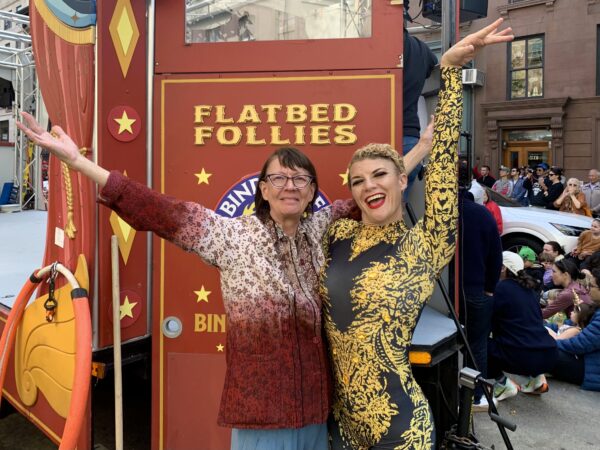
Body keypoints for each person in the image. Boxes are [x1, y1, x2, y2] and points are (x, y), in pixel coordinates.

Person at [15, 113, 431, 449]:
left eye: (300, 179)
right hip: (261, 419)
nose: (289, 186)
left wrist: (421, 150)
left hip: (316, 415)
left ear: (310, 193)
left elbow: (369, 194)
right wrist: (78, 162)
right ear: (263, 190)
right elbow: (159, 210)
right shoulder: (230, 236)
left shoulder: (321, 229)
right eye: (278, 179)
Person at [319, 20, 513, 449]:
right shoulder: (338, 235)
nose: (369, 186)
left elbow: (442, 166)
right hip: (339, 428)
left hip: (401, 431)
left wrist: (450, 72)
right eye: (358, 180)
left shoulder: (424, 245)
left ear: (403, 180)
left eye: (380, 175)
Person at [488, 251, 557, 401]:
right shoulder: (529, 290)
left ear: (503, 268)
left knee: (475, 343)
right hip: (548, 353)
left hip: (521, 356)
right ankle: (536, 380)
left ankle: (502, 383)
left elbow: (487, 320)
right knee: (524, 338)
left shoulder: (501, 288)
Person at [458, 189, 503, 411]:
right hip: (476, 290)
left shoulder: (436, 212)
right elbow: (496, 255)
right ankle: (474, 395)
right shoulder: (483, 214)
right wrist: (489, 288)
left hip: (444, 292)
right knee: (477, 345)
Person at [403, 18, 437, 196]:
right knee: (397, 205)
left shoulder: (379, 45)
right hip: (410, 139)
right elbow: (433, 63)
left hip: (384, 136)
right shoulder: (421, 49)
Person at [552, 295, 600, 391]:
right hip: (585, 361)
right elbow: (565, 326)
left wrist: (548, 343)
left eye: (592, 287)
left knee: (545, 351)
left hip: (591, 371)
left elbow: (580, 344)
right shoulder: (596, 308)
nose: (588, 290)